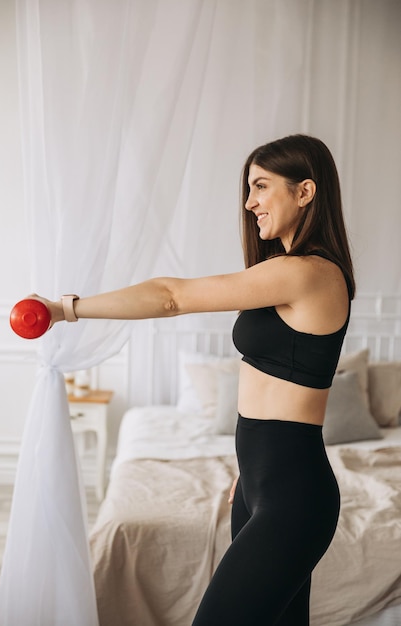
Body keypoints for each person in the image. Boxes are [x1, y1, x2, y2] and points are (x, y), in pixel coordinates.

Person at [30, 134, 355, 625]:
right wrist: (251, 469)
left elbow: (170, 297)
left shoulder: (309, 273)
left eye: (262, 187)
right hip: (258, 485)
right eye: (249, 189)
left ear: (305, 192)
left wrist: (65, 308)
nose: (249, 203)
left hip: (293, 497)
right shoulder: (282, 271)